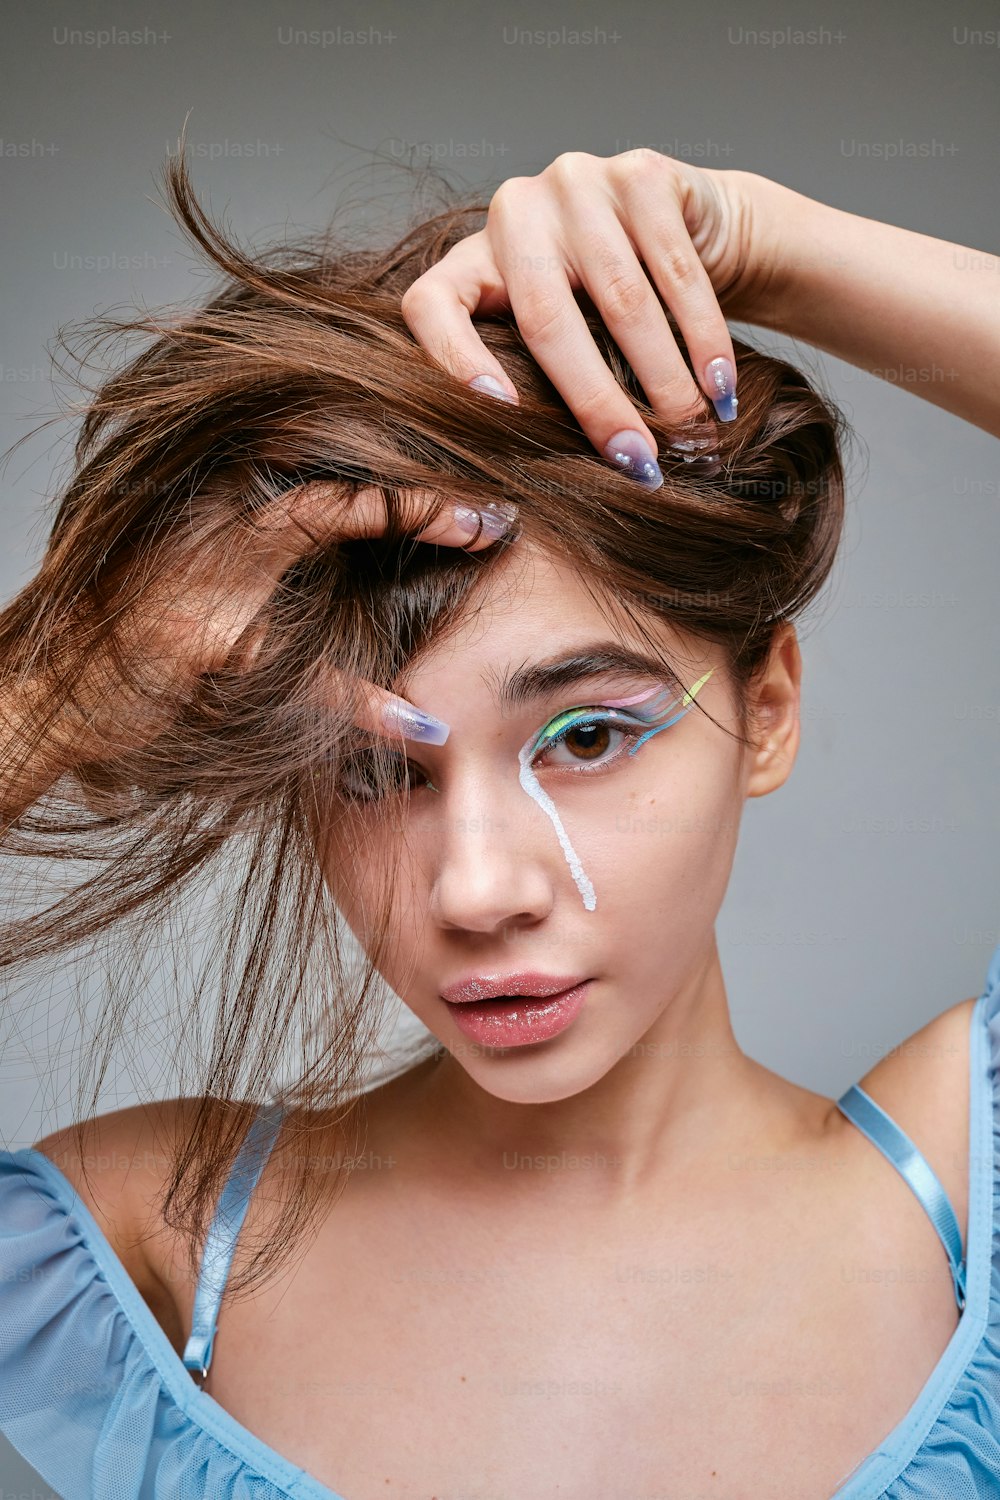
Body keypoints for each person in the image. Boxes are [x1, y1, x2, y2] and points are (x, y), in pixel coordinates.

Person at [0, 146, 997, 1499]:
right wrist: (43, 699)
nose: (477, 890)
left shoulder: (966, 1189)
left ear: (766, 711)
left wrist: (767, 246)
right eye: (371, 769)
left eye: (585, 737)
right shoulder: (156, 1240)